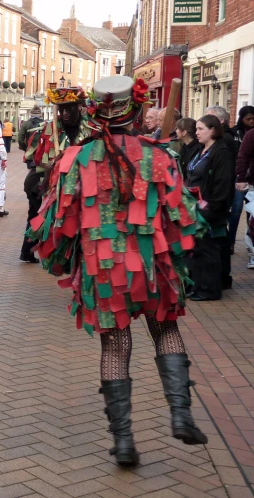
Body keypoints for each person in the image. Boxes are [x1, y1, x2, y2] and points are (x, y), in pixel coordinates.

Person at [28, 75, 207, 468]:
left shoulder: (76, 158)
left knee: (115, 346)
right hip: (153, 265)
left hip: (103, 272)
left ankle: (124, 441)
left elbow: (58, 222)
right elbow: (184, 218)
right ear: (138, 112)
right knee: (166, 331)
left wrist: (59, 262)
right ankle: (181, 414)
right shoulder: (160, 155)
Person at [185, 114, 236, 301]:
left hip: (211, 209)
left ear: (213, 130)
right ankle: (197, 285)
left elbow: (222, 183)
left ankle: (210, 289)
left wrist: (211, 208)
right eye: (196, 129)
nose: (196, 132)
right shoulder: (200, 149)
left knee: (209, 249)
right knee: (197, 249)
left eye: (200, 129)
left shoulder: (221, 152)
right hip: (194, 207)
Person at [204, 106, 238, 286]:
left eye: (209, 120)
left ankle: (223, 278)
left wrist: (217, 202)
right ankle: (223, 278)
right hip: (216, 198)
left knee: (219, 240)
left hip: (219, 198)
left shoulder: (224, 143)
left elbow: (224, 175)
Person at [18, 105, 44, 263]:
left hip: (33, 173)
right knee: (36, 218)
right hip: (37, 183)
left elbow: (21, 139)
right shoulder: (45, 128)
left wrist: (26, 151)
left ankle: (27, 251)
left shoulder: (26, 124)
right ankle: (27, 250)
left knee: (34, 217)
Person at [236, 122, 254, 269]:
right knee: (253, 221)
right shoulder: (251, 135)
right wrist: (241, 178)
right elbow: (243, 156)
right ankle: (253, 253)